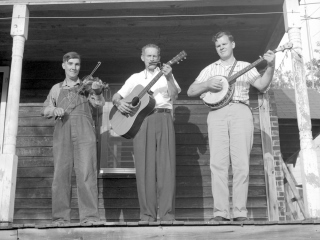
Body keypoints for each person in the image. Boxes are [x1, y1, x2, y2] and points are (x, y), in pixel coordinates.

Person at [187, 31, 275, 221]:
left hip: (240, 111)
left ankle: (240, 213)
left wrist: (270, 65)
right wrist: (207, 85)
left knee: (241, 164)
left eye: (224, 44)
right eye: (218, 45)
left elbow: (261, 85)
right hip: (216, 113)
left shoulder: (245, 66)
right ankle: (221, 213)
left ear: (233, 44)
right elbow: (191, 90)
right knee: (217, 164)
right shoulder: (210, 69)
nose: (221, 47)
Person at [112, 44, 181, 222]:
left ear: (159, 57)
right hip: (141, 122)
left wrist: (170, 76)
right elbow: (116, 97)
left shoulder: (167, 75)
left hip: (164, 117)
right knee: (144, 168)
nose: (152, 59)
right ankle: (147, 215)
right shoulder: (135, 78)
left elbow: (174, 96)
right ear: (142, 57)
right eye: (148, 56)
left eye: (155, 56)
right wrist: (120, 104)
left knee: (167, 167)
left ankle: (167, 215)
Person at [41, 52, 105, 224]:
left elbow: (99, 104)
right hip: (62, 132)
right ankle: (60, 218)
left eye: (77, 64)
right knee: (61, 174)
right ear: (64, 65)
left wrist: (98, 91)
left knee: (86, 173)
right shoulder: (56, 88)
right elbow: (45, 109)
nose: (73, 67)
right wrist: (54, 110)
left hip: (85, 133)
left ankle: (90, 217)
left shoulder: (88, 87)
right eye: (70, 64)